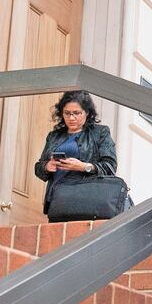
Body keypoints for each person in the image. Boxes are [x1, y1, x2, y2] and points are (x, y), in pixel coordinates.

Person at [34, 90, 117, 218]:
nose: (71, 118)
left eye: (77, 113)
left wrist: (84, 167)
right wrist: (47, 166)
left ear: (87, 112)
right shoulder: (54, 136)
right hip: (57, 200)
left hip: (86, 199)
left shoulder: (100, 133)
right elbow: (39, 168)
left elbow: (110, 167)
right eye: (67, 113)